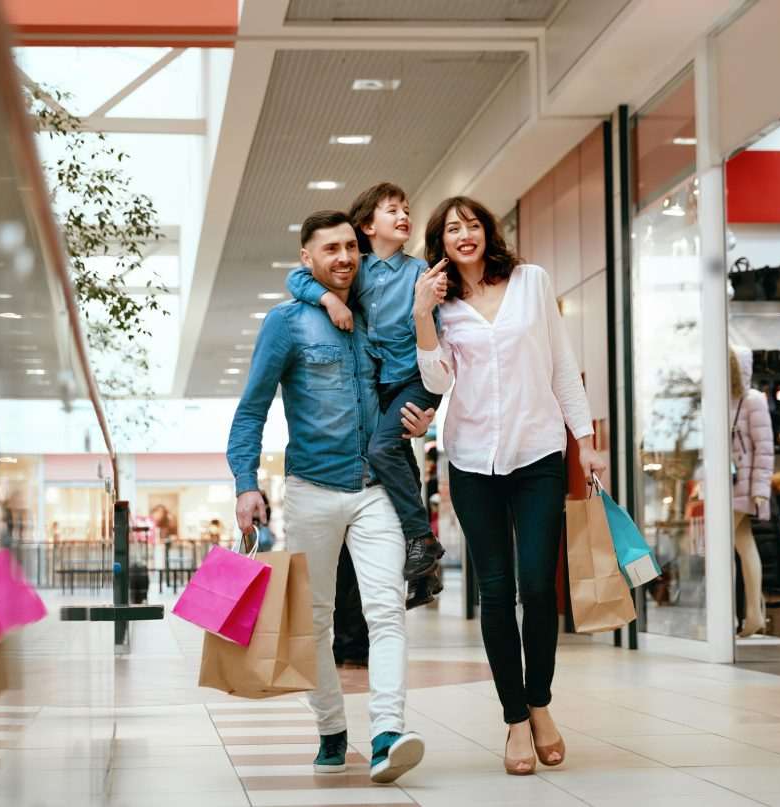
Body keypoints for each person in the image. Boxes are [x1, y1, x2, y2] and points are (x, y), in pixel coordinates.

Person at [228, 210, 435, 784]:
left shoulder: (374, 313)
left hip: (376, 488)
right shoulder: (287, 323)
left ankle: (387, 733)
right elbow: (251, 409)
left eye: (350, 247)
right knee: (315, 619)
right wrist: (245, 483)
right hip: (311, 489)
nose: (343, 258)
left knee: (385, 610)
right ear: (307, 258)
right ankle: (331, 729)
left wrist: (422, 419)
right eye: (330, 249)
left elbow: (411, 378)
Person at [413, 196, 605, 776]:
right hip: (472, 460)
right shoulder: (443, 307)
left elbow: (561, 364)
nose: (464, 234)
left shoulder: (531, 282)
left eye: (472, 224)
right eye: (452, 229)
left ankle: (539, 702)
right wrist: (423, 314)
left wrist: (586, 439)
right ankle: (516, 720)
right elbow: (437, 381)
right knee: (495, 593)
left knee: (539, 587)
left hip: (538, 451)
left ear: (487, 231)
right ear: (441, 244)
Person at [287, 183, 444, 608]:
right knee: (398, 459)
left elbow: (438, 338)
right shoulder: (358, 269)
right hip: (381, 383)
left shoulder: (420, 273)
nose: (404, 216)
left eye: (406, 209)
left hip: (415, 380)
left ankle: (422, 540)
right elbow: (296, 278)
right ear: (367, 226)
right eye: (392, 210)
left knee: (381, 449)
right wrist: (330, 301)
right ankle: (422, 569)